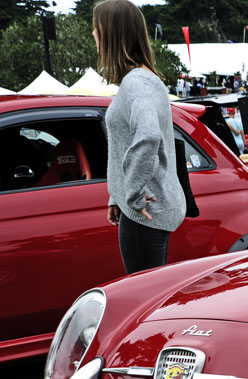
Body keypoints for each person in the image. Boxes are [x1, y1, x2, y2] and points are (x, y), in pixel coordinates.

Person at [94, 0, 185, 275]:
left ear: (111, 33)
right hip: (146, 208)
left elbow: (147, 136)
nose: (94, 36)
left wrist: (131, 193)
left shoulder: (137, 84)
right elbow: (128, 140)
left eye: (96, 29)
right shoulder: (145, 79)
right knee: (152, 292)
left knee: (144, 300)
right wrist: (117, 195)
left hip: (144, 213)